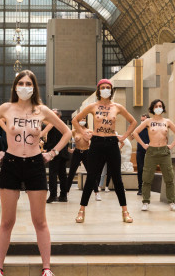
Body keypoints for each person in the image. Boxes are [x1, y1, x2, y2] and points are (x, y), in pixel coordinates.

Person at [0, 70, 71, 276]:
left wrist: (52, 152)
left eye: (29, 83)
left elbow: (67, 132)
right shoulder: (6, 108)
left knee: (40, 221)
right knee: (7, 221)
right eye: (21, 83)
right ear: (15, 86)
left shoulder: (42, 110)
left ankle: (47, 268)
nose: (25, 86)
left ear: (34, 87)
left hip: (36, 164)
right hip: (11, 164)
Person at [72, 79, 138, 223]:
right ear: (98, 90)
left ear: (111, 90)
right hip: (96, 143)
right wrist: (83, 133)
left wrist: (124, 137)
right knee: (91, 178)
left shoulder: (117, 107)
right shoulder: (92, 106)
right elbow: (75, 120)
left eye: (108, 87)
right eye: (103, 87)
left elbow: (133, 121)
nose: (105, 89)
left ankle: (125, 211)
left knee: (117, 179)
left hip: (112, 143)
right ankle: (81, 210)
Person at [132, 99, 175, 212]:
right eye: (156, 106)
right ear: (152, 108)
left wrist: (171, 145)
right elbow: (135, 133)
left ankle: (172, 202)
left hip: (164, 151)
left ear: (163, 108)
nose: (158, 108)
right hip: (151, 151)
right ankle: (145, 201)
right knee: (147, 178)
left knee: (169, 177)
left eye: (160, 106)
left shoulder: (167, 121)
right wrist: (144, 145)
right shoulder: (148, 121)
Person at [42, 109, 70, 203]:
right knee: (62, 175)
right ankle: (63, 196)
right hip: (60, 152)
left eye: (52, 114)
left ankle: (54, 195)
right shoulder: (61, 125)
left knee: (54, 174)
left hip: (56, 153)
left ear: (58, 116)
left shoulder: (54, 123)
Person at [64, 116, 92, 198]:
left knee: (90, 172)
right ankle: (66, 191)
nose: (83, 121)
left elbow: (93, 141)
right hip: (77, 152)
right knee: (71, 172)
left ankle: (96, 192)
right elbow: (65, 138)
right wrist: (68, 149)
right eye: (81, 120)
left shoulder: (89, 131)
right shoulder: (74, 131)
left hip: (86, 152)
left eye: (84, 119)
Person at [135, 114, 149, 195]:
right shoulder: (139, 129)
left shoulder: (150, 129)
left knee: (148, 170)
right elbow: (132, 137)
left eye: (144, 120)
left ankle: (147, 188)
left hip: (149, 151)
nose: (142, 122)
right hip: (140, 151)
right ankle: (140, 188)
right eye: (141, 120)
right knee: (140, 169)